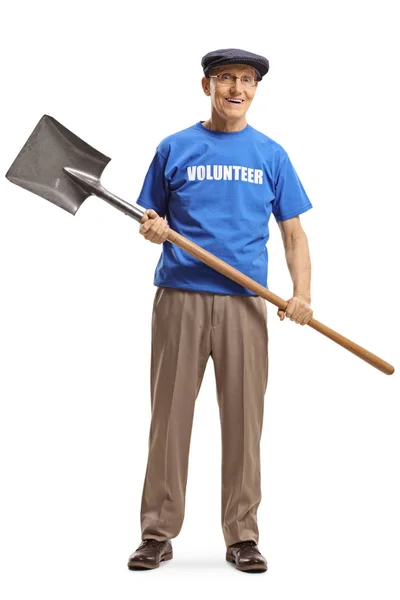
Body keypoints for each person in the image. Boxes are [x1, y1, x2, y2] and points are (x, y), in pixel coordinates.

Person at [127, 48, 314, 573]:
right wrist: (152, 229)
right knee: (169, 420)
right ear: (206, 85)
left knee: (243, 422)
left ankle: (243, 536)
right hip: (180, 299)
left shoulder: (271, 155)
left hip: (245, 305)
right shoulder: (175, 147)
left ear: (256, 89)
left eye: (247, 80)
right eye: (226, 78)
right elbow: (152, 220)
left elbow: (294, 235)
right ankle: (157, 533)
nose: (237, 88)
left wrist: (301, 294)